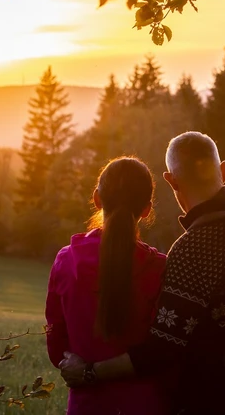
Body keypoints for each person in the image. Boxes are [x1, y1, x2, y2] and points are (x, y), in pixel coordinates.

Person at [59, 132, 225, 415]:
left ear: (171, 180)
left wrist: (89, 373)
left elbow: (162, 349)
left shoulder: (193, 248)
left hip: (216, 398)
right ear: (224, 171)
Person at [44, 156, 170, 415]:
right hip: (144, 406)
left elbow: (57, 346)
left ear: (97, 198)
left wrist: (79, 366)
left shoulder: (66, 261)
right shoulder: (160, 269)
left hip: (86, 406)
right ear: (147, 209)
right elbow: (162, 352)